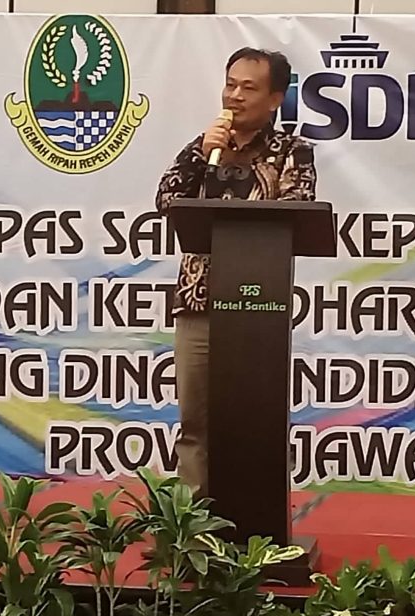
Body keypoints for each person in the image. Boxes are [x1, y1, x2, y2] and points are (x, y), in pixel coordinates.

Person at [155, 47, 318, 498]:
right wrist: (203, 155)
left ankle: (255, 520)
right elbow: (166, 200)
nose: (235, 96)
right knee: (195, 422)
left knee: (254, 421)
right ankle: (192, 523)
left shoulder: (293, 152)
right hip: (199, 302)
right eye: (230, 85)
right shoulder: (203, 147)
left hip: (258, 307)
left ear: (275, 99)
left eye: (249, 87)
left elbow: (298, 209)